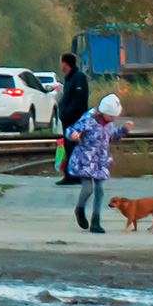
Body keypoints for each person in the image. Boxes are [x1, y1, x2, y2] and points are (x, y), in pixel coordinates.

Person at [65, 93, 133, 234]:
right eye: (110, 116)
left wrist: (123, 130)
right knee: (88, 189)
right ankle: (80, 208)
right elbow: (72, 130)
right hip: (85, 160)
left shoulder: (108, 123)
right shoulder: (88, 119)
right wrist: (73, 135)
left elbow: (111, 137)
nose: (112, 119)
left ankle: (96, 221)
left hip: (100, 161)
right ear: (103, 112)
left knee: (100, 190)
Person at [55, 52, 89, 186]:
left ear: (65, 63)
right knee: (69, 147)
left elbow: (78, 98)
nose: (61, 66)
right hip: (68, 119)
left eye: (62, 63)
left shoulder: (78, 77)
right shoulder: (69, 77)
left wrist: (67, 112)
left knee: (74, 146)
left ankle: (73, 175)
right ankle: (71, 174)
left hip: (75, 119)